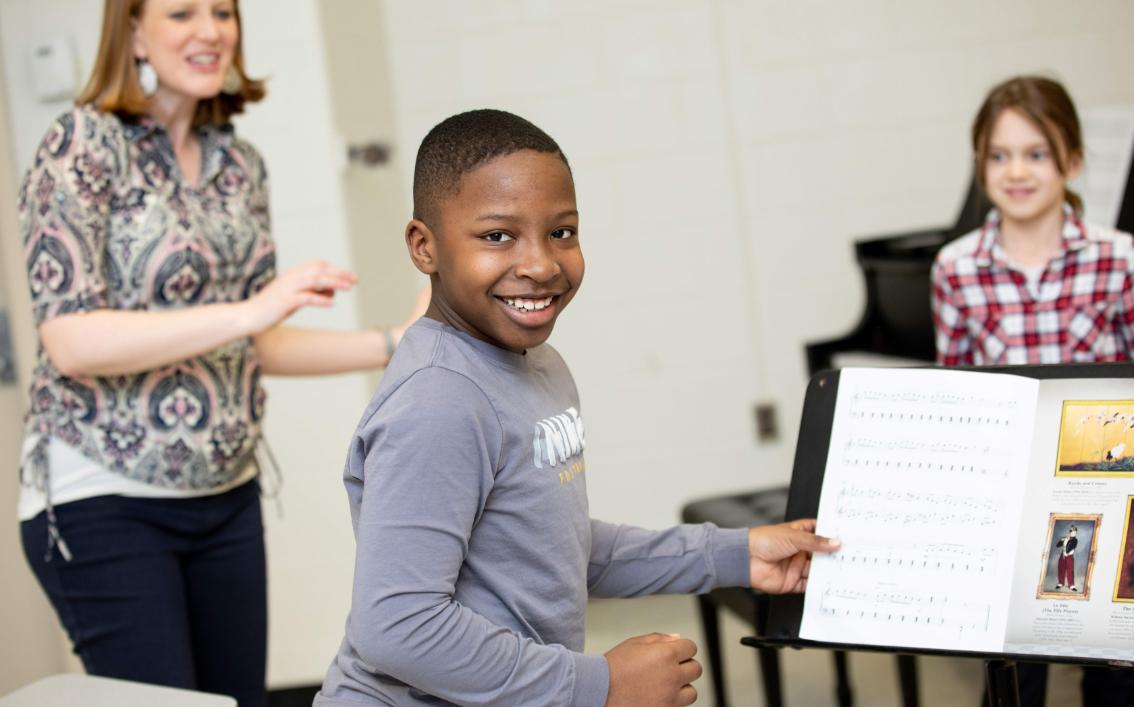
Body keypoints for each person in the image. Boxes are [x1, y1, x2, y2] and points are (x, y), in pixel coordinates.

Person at [313, 109, 841, 707]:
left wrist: (736, 554)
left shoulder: (539, 366)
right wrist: (601, 685)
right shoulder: (439, 401)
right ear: (424, 246)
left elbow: (556, 548)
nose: (541, 264)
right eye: (497, 236)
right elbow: (399, 628)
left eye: (561, 232)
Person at [16, 1, 425, 706]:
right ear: (134, 29)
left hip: (225, 498)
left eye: (224, 12)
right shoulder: (79, 143)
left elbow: (258, 342)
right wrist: (248, 310)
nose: (211, 31)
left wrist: (397, 342)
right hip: (106, 499)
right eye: (182, 12)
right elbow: (71, 339)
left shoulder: (239, 164)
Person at [932, 75, 1134, 707]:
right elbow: (955, 400)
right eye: (999, 154)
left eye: (1036, 153)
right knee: (1017, 678)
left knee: (1113, 679)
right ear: (979, 164)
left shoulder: (1120, 258)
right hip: (1008, 510)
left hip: (1107, 501)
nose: (1016, 170)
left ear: (1072, 160)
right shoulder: (956, 268)